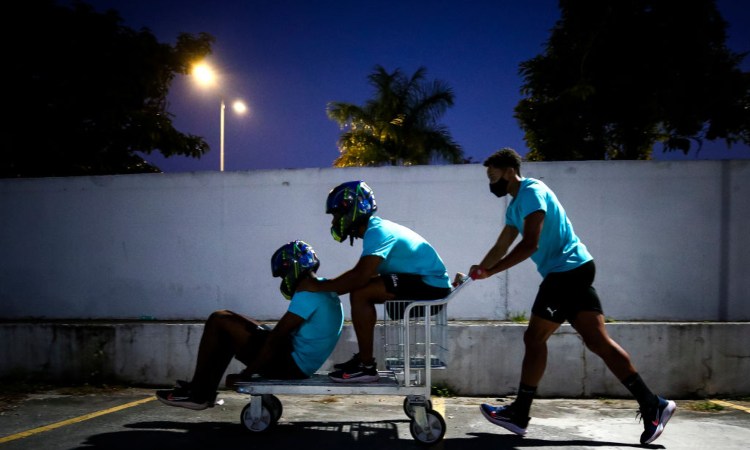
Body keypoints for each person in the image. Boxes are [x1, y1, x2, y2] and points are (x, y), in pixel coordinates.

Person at [467, 148, 675, 445]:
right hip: (576, 268)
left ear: (509, 170)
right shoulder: (515, 207)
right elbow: (501, 245)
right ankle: (653, 403)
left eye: (492, 175)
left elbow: (530, 244)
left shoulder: (532, 191)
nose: (490, 182)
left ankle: (520, 413)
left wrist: (492, 272)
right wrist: (479, 268)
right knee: (597, 341)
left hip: (565, 271)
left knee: (534, 338)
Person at [156, 240, 344, 410]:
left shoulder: (307, 293)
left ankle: (197, 393)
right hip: (298, 360)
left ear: (292, 268)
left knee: (218, 319)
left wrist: (246, 374)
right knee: (229, 322)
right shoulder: (323, 289)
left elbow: (276, 338)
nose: (283, 279)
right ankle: (202, 393)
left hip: (291, 364)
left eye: (283, 274)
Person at [305, 180, 452, 383]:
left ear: (353, 211)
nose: (334, 222)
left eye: (337, 214)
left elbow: (360, 276)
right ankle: (364, 362)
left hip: (431, 286)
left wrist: (320, 287)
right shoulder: (375, 230)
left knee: (361, 292)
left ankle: (366, 367)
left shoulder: (377, 232)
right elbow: (364, 275)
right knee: (363, 288)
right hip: (428, 282)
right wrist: (330, 287)